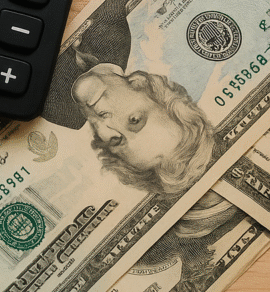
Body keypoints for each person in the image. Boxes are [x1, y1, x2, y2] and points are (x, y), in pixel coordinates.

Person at [71, 63, 217, 197]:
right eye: (135, 120)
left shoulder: (57, 111)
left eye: (116, 140)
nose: (107, 129)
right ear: (141, 84)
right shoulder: (115, 37)